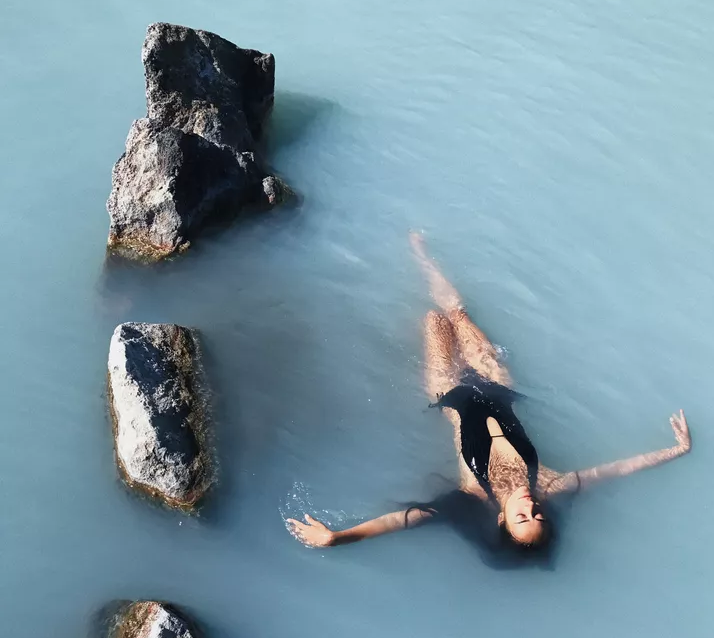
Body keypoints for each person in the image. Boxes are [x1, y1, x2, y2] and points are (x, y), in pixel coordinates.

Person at [287, 233, 691, 554]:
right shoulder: (551, 485)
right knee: (459, 315)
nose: (531, 509)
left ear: (502, 520)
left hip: (451, 393)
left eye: (522, 519)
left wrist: (339, 537)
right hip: (498, 386)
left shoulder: (474, 491)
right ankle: (423, 255)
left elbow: (404, 519)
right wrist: (676, 450)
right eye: (539, 517)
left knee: (433, 321)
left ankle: (417, 259)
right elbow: (617, 469)